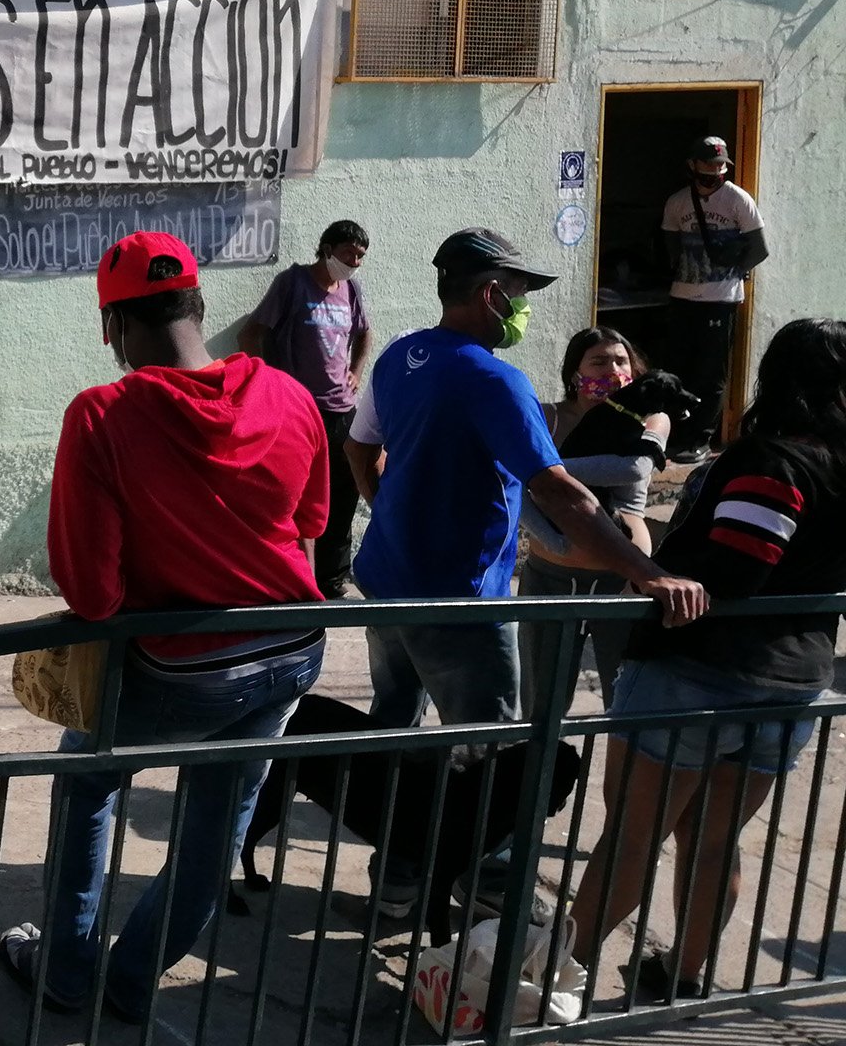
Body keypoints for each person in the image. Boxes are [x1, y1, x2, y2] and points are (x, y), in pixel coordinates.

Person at [0, 231, 328, 1024]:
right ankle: (133, 978)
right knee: (219, 822)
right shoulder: (290, 395)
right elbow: (312, 526)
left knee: (88, 782)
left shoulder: (102, 414)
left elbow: (94, 592)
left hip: (175, 668)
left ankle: (69, 972)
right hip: (291, 651)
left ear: (112, 328)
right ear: (199, 303)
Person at [343, 228, 707, 917]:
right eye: (519, 294)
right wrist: (645, 571)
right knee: (492, 751)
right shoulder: (493, 378)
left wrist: (388, 511)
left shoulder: (399, 357)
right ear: (489, 293)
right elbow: (561, 492)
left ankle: (395, 877)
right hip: (457, 601)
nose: (524, 308)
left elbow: (360, 446)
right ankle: (490, 888)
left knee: (396, 729)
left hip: (389, 578)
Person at [570, 318, 846, 1002]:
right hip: (789, 681)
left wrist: (654, 567)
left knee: (632, 839)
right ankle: (683, 978)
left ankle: (553, 979)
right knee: (715, 841)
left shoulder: (777, 460)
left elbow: (737, 566)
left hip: (696, 674)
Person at [515, 328, 674, 718]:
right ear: (574, 372)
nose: (613, 370)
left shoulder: (652, 419)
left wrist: (545, 471)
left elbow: (633, 468)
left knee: (624, 703)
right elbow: (511, 484)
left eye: (621, 361)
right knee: (542, 707)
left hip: (622, 585)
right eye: (599, 361)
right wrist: (554, 540)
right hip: (549, 580)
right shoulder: (547, 417)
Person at [239, 219, 373, 599]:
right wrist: (269, 384)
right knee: (296, 499)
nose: (355, 262)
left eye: (361, 256)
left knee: (344, 495)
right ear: (327, 248)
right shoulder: (292, 283)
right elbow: (251, 333)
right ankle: (296, 577)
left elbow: (365, 333)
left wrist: (356, 372)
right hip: (301, 411)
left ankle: (333, 580)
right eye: (349, 253)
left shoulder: (351, 289)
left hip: (342, 411)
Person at [661, 136, 768, 463]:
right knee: (679, 368)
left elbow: (759, 248)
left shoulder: (738, 200)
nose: (716, 170)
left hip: (720, 301)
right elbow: (670, 246)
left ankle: (701, 440)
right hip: (682, 297)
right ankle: (673, 435)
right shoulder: (678, 202)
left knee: (710, 373)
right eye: (709, 164)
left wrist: (738, 271)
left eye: (721, 165)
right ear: (693, 165)